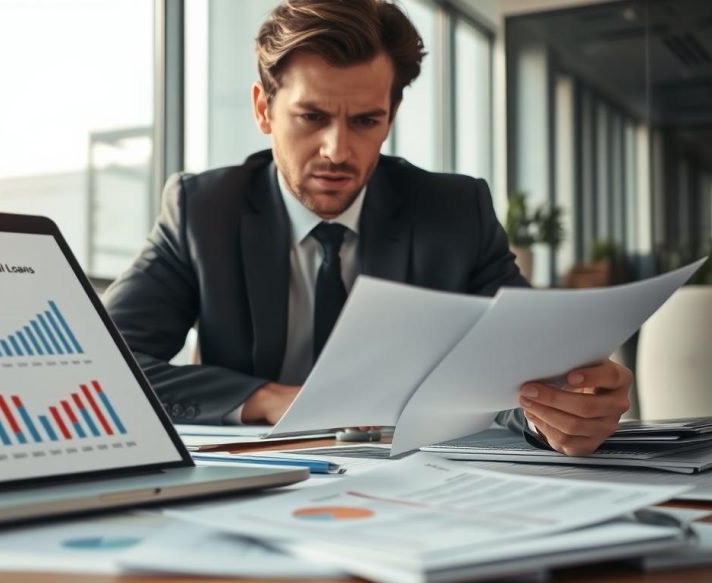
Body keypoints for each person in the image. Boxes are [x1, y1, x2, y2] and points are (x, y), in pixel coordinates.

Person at [104, 0, 631, 456]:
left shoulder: (454, 212)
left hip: (420, 486)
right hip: (259, 476)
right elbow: (107, 364)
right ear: (264, 109)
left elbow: (522, 376)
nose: (337, 151)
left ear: (390, 116)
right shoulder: (203, 211)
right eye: (312, 117)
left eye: (364, 121)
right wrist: (268, 398)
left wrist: (563, 413)